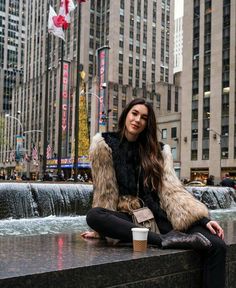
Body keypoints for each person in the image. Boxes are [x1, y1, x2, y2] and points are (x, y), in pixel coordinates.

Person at [82, 98, 226, 288]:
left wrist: (203, 220)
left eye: (144, 117)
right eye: (134, 113)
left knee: (217, 246)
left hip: (161, 216)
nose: (137, 120)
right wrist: (100, 232)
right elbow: (105, 191)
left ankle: (169, 237)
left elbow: (172, 189)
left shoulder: (158, 150)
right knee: (94, 216)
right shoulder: (105, 144)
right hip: (129, 217)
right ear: (126, 114)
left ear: (147, 124)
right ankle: (164, 240)